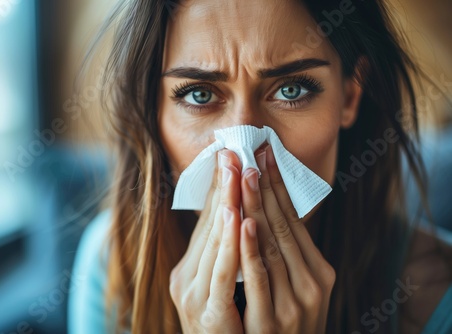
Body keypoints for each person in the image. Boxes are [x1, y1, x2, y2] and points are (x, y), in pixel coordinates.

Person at [68, 0, 452, 333]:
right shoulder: (115, 266)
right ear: (154, 112)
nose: (243, 154)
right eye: (199, 94)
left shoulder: (437, 293)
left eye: (291, 90)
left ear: (349, 95)